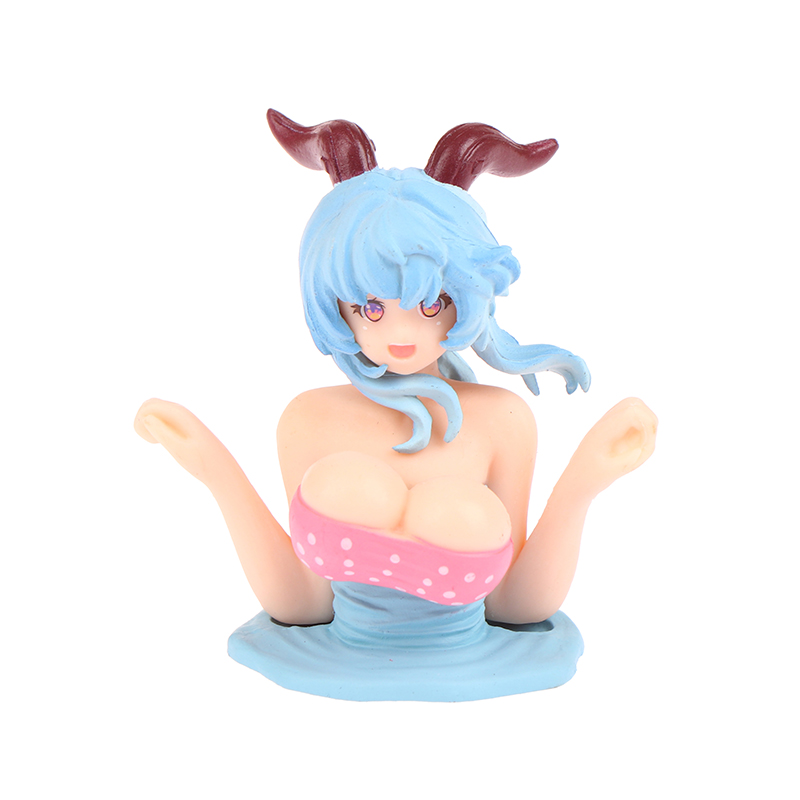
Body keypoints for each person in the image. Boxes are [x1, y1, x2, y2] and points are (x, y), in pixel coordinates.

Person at [134, 111, 657, 701]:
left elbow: (514, 606)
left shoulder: (501, 421)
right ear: (334, 304)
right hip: (328, 670)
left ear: (467, 295)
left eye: (431, 304)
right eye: (372, 308)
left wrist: (586, 481)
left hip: (479, 668)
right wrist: (213, 468)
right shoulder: (309, 420)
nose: (401, 333)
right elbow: (303, 604)